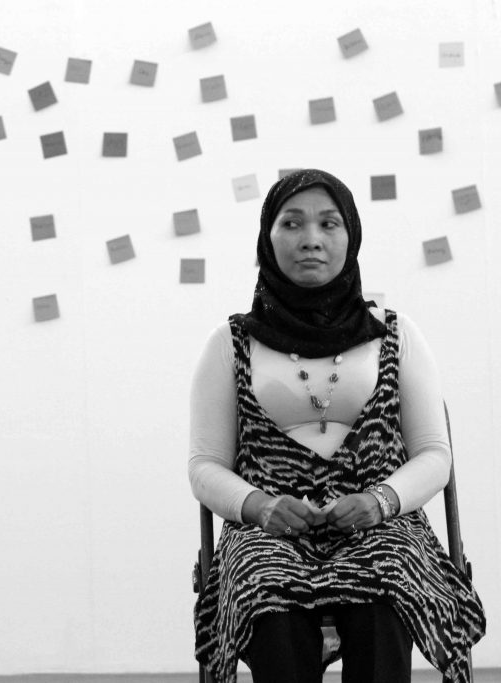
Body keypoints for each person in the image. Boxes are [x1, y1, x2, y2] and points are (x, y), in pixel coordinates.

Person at [189, 169, 484, 683]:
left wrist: (380, 501)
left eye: (329, 223)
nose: (311, 240)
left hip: (381, 523)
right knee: (266, 601)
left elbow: (435, 454)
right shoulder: (229, 342)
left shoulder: (395, 332)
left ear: (352, 236)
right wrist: (261, 506)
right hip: (268, 530)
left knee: (388, 593)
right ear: (267, 237)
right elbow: (204, 466)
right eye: (292, 223)